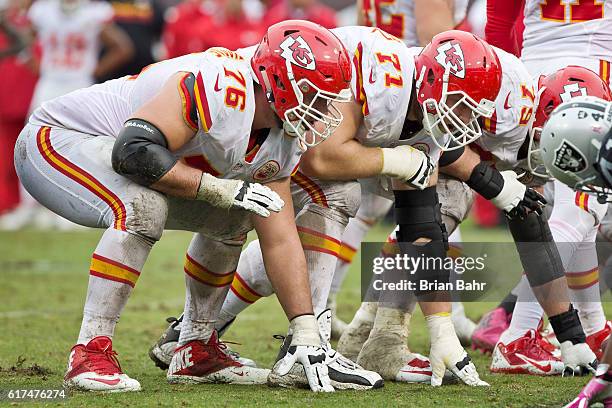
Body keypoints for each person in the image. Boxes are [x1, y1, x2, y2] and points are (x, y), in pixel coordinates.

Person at [14, 20, 355, 392]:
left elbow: (281, 237)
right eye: (316, 95)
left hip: (115, 154)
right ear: (280, 81)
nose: (324, 109)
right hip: (57, 140)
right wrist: (216, 188)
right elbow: (133, 152)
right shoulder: (221, 85)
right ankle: (90, 351)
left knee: (243, 212)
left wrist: (303, 326)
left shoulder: (282, 137)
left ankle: (194, 347)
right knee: (144, 205)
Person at [473, 0, 612, 358]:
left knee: (568, 207)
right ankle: (519, 332)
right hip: (593, 75)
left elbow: (500, 22)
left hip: (534, 75)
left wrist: (509, 83)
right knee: (584, 205)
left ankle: (592, 325)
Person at [332, 0, 474, 343]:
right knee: (441, 196)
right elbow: (442, 49)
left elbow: (368, 24)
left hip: (375, 84)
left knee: (348, 205)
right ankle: (447, 315)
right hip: (410, 95)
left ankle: (325, 306)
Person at [0, 0, 134, 230]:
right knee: (30, 143)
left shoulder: (93, 12)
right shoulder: (43, 10)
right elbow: (25, 39)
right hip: (50, 83)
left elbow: (123, 47)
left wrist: (93, 71)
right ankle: (30, 206)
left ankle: (77, 206)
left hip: (78, 83)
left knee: (81, 147)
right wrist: (34, 63)